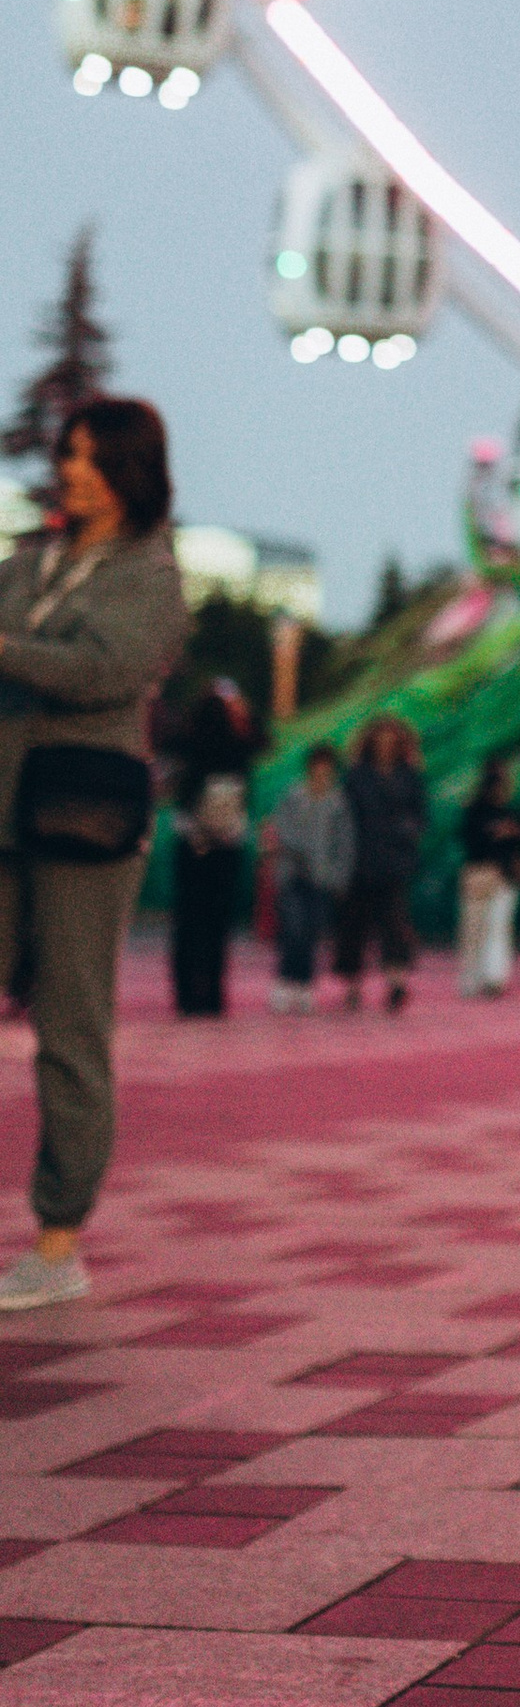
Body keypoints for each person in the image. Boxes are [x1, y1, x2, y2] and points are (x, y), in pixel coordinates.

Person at [0, 399, 188, 1307]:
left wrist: (8, 650)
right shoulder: (30, 561)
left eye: (87, 456)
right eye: (65, 453)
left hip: (83, 820)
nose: (69, 469)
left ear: (127, 469)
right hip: (2, 812)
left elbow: (106, 670)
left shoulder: (150, 573)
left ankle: (58, 1240)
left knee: (71, 1028)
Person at [169, 677, 257, 1021]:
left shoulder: (188, 743)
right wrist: (241, 708)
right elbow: (262, 737)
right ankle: (214, 995)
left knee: (188, 921)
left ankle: (187, 994)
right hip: (227, 842)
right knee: (218, 922)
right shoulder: (238, 746)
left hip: (191, 842)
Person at [336, 713, 424, 1013]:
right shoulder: (355, 776)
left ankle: (396, 981)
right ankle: (353, 985)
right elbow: (343, 819)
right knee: (354, 926)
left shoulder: (409, 776)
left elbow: (421, 816)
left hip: (394, 861)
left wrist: (406, 832)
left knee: (394, 923)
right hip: (358, 860)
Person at [266, 741, 353, 1014]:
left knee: (311, 933)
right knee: (292, 929)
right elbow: (281, 829)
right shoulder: (294, 795)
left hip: (321, 878)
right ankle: (284, 982)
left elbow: (345, 843)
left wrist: (340, 876)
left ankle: (304, 986)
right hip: (292, 874)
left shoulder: (338, 803)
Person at [456, 753, 520, 997]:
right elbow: (469, 841)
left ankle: (494, 978)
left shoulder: (512, 813)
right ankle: (471, 980)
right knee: (473, 929)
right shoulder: (475, 812)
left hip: (504, 878)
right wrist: (495, 835)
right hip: (479, 875)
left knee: (498, 928)